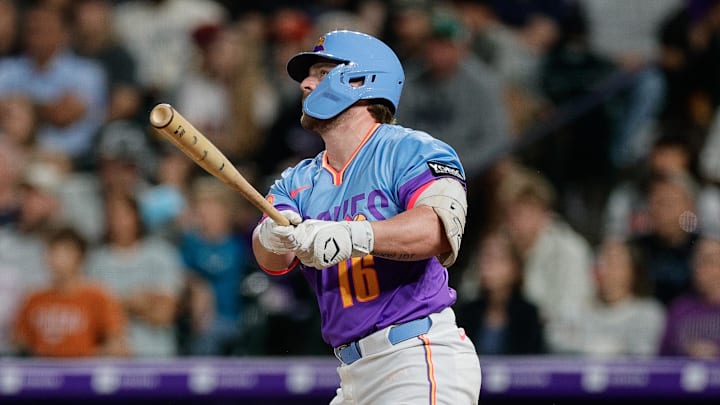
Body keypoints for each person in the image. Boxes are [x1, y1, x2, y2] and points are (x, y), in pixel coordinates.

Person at [252, 30, 481, 404]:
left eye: (322, 73)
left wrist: (350, 236)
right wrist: (272, 237)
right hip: (352, 373)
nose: (306, 84)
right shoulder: (297, 179)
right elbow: (273, 260)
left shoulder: (412, 149)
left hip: (416, 354)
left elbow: (437, 229)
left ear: (362, 81)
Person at [12, 226, 128, 357]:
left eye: (62, 252)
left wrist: (80, 359)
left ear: (79, 256)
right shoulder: (34, 298)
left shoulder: (98, 297)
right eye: (51, 251)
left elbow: (118, 346)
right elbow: (19, 342)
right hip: (43, 373)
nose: (54, 258)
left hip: (84, 373)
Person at [566, 239, 666, 357]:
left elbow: (643, 354)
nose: (608, 271)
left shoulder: (649, 313)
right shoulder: (576, 310)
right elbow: (557, 343)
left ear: (633, 271)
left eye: (616, 264)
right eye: (602, 263)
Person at [455, 230, 546, 355]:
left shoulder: (528, 315)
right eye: (484, 258)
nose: (487, 266)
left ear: (515, 268)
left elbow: (532, 363)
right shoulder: (466, 312)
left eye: (496, 259)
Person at [659, 234, 720, 358]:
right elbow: (662, 358)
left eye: (708, 261)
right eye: (696, 261)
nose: (699, 268)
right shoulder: (680, 308)